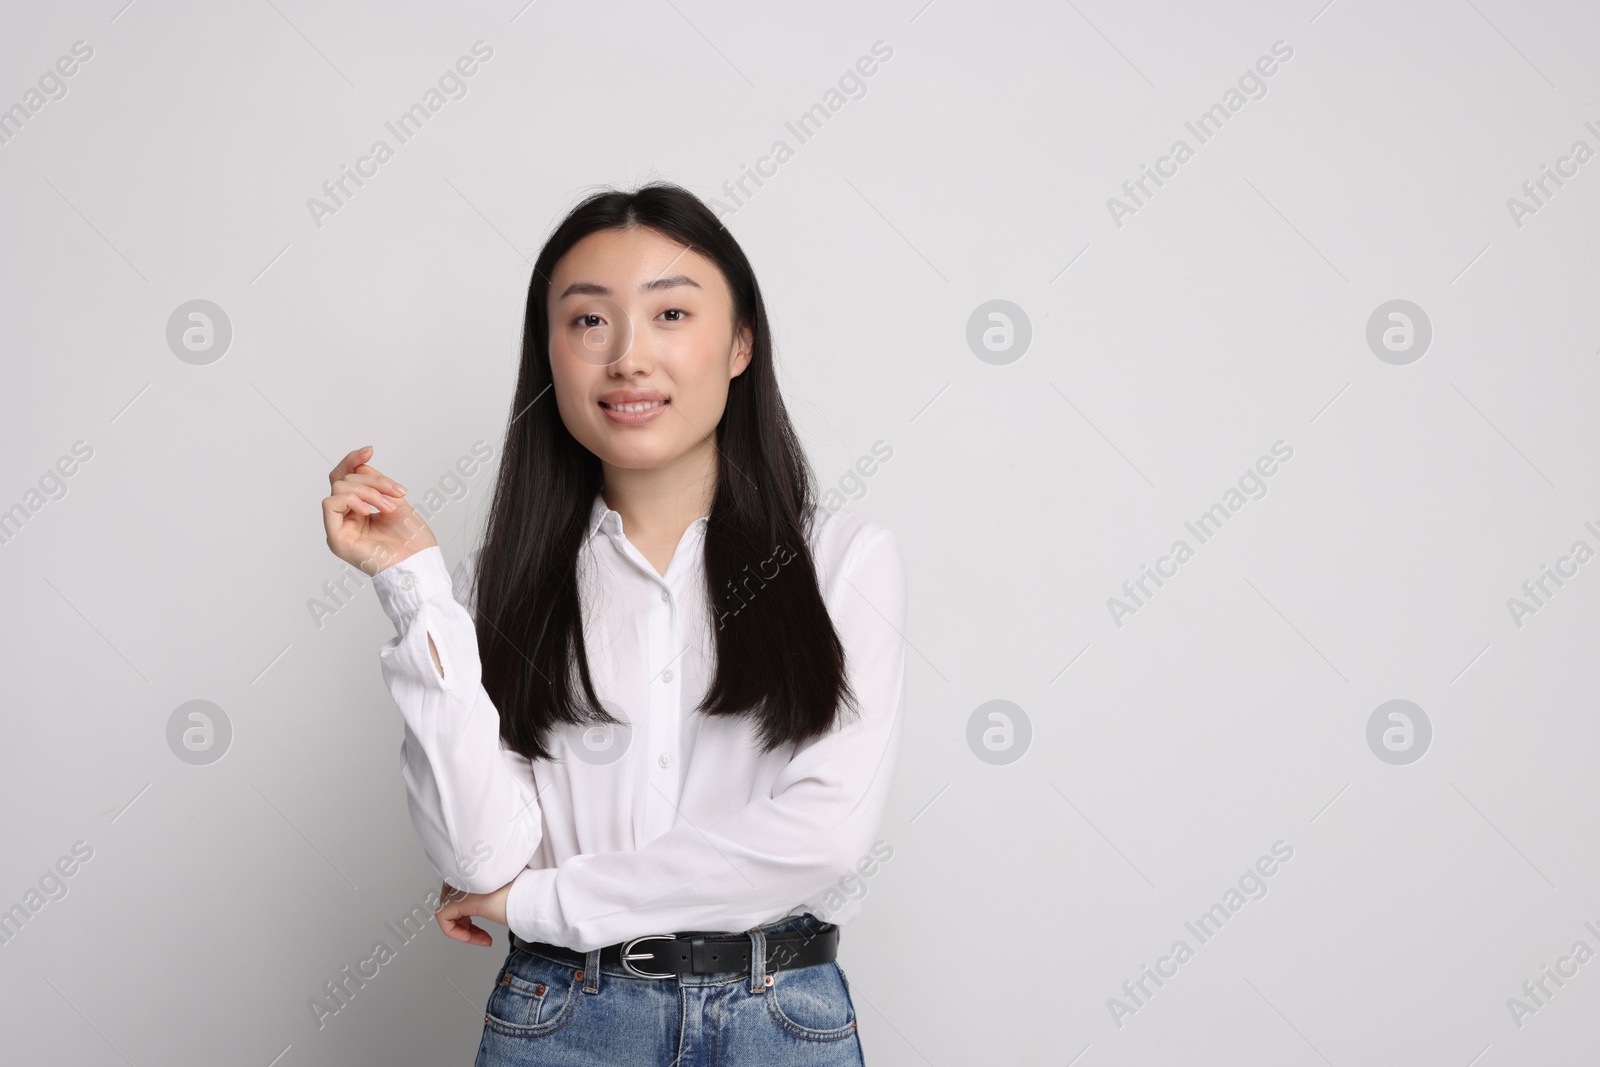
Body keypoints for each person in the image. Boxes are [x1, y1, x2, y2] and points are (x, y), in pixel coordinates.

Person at [320, 182, 907, 1065]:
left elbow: (822, 837)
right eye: (590, 322)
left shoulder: (841, 561)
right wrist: (413, 588)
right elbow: (481, 855)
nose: (629, 357)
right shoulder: (502, 586)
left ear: (741, 343)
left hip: (781, 1023)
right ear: (549, 354)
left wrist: (542, 903)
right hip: (563, 1023)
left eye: (670, 313)